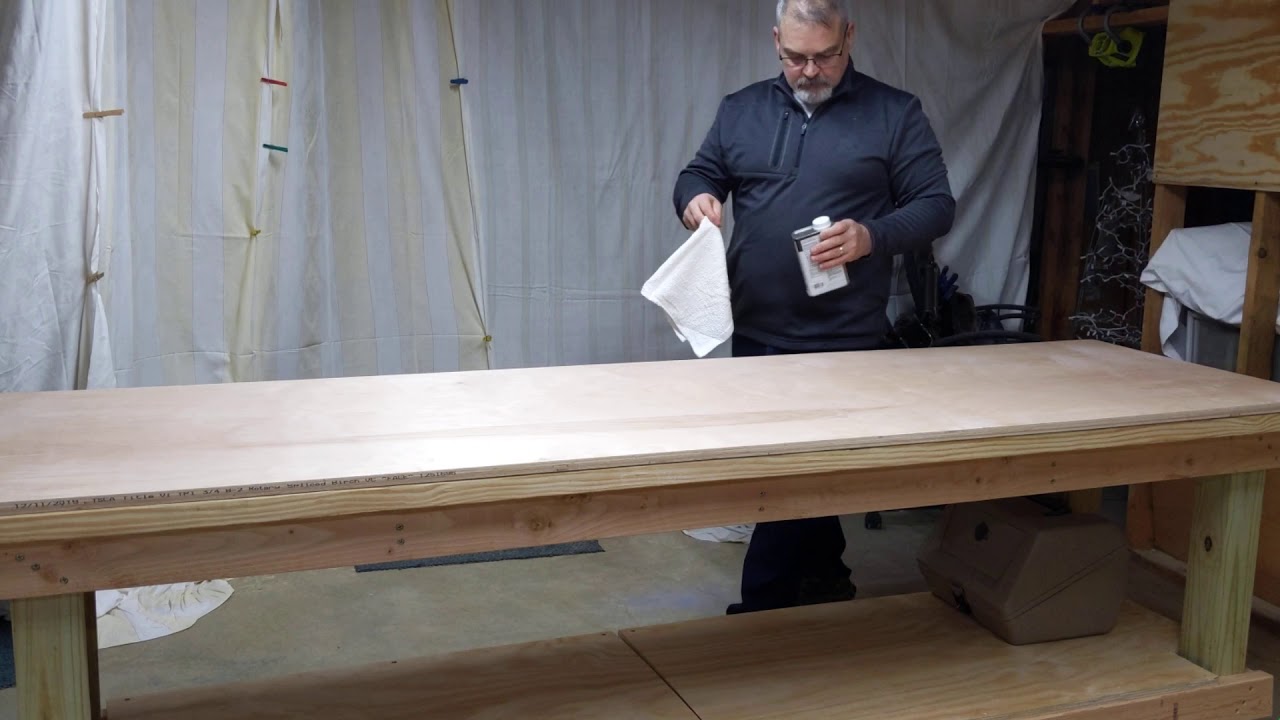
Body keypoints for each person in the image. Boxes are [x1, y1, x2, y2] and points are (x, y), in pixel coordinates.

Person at [672, 0, 955, 615]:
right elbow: (700, 172)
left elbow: (936, 205)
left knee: (785, 477)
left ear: (849, 37)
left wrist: (870, 235)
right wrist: (696, 199)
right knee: (804, 471)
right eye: (795, 57)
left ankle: (764, 603)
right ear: (776, 41)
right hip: (757, 327)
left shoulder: (894, 113)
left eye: (826, 56)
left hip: (843, 334)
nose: (810, 70)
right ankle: (827, 574)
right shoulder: (741, 108)